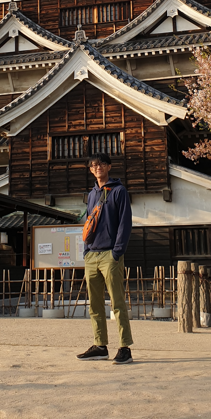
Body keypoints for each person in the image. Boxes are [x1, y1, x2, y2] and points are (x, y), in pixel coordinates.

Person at [76, 152, 134, 364]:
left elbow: (125, 223)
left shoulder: (119, 191)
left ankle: (125, 347)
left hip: (110, 254)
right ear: (90, 170)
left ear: (109, 166)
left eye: (101, 164)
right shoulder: (91, 195)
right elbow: (88, 223)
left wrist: (117, 251)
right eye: (93, 165)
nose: (97, 167)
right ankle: (100, 346)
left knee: (117, 302)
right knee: (95, 304)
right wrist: (86, 250)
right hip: (92, 254)